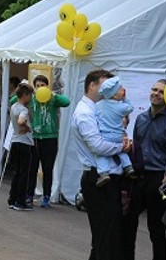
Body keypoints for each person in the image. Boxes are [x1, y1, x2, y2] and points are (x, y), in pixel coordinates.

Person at [122, 79, 166, 260]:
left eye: (161, 91)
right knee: (129, 223)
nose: (156, 93)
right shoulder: (141, 119)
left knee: (155, 228)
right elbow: (135, 149)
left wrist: (165, 182)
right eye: (154, 89)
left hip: (159, 179)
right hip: (139, 177)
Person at [71, 69, 129, 260]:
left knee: (107, 236)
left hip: (106, 178)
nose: (108, 90)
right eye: (105, 85)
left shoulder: (98, 108)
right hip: (97, 179)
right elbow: (97, 145)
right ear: (92, 85)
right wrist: (122, 147)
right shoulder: (85, 113)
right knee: (104, 236)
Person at [17, 75, 70, 208]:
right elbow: (14, 100)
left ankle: (46, 196)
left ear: (47, 86)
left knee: (48, 168)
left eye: (43, 85)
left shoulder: (52, 99)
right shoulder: (32, 99)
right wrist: (25, 90)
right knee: (32, 168)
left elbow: (66, 102)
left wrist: (53, 95)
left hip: (50, 138)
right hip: (34, 137)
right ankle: (29, 195)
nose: (40, 88)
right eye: (38, 86)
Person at [95, 77, 135, 186]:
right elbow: (130, 108)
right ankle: (128, 166)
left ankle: (103, 173)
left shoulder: (98, 105)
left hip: (105, 136)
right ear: (114, 95)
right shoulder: (120, 106)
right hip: (118, 136)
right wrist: (125, 99)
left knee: (100, 154)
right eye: (121, 89)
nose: (124, 90)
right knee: (121, 150)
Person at [8, 83, 35, 211]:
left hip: (15, 141)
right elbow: (20, 120)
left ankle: (12, 198)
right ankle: (20, 201)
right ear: (25, 95)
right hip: (24, 142)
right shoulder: (23, 109)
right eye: (30, 95)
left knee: (16, 171)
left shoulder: (13, 106)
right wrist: (26, 127)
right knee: (24, 173)